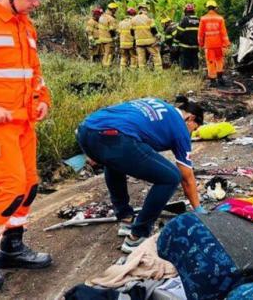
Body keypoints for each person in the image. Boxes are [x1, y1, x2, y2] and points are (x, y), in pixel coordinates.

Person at [0, 0, 53, 291]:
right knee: (9, 187)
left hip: (23, 124)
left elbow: (34, 74)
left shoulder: (26, 26)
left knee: (29, 186)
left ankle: (11, 246)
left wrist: (42, 101)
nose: (36, 3)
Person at [76, 97, 206, 253]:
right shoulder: (180, 128)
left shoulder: (158, 103)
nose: (191, 133)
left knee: (115, 161)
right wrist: (198, 209)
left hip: (86, 129)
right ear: (190, 118)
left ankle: (125, 219)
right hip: (115, 136)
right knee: (171, 177)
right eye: (194, 128)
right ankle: (138, 235)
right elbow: (187, 177)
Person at [198, 0, 230, 86]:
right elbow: (224, 33)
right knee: (219, 60)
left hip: (209, 45)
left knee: (210, 61)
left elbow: (200, 34)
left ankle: (212, 81)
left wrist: (200, 44)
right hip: (219, 44)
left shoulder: (203, 18)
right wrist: (226, 43)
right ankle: (220, 78)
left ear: (207, 8)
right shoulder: (220, 18)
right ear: (215, 8)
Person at [131, 4, 162, 70]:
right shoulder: (149, 18)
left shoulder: (133, 19)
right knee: (156, 55)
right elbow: (153, 29)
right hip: (150, 42)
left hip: (139, 42)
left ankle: (142, 72)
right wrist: (158, 36)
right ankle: (159, 71)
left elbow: (132, 32)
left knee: (141, 57)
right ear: (145, 9)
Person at [173, 4, 200, 73]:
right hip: (196, 44)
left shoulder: (184, 20)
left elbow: (179, 32)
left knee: (185, 59)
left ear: (185, 11)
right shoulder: (198, 19)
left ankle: (186, 73)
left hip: (185, 45)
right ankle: (195, 71)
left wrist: (175, 42)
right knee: (195, 58)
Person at [97, 3, 119, 67]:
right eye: (115, 9)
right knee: (108, 53)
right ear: (113, 10)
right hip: (108, 39)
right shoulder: (111, 19)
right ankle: (106, 67)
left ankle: (103, 65)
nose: (116, 11)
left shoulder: (102, 16)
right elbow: (112, 29)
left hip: (101, 38)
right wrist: (115, 36)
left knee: (103, 53)